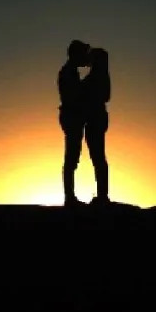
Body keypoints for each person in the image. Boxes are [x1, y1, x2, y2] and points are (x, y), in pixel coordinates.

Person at [57, 39, 91, 206]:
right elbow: (73, 97)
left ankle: (70, 197)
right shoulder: (68, 72)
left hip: (71, 116)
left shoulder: (70, 72)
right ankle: (69, 198)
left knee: (72, 157)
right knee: (71, 158)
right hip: (71, 117)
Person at [82, 47, 111, 205]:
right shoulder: (101, 76)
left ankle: (102, 195)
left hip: (95, 119)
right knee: (98, 157)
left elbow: (104, 96)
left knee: (98, 157)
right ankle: (102, 194)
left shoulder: (97, 77)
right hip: (98, 118)